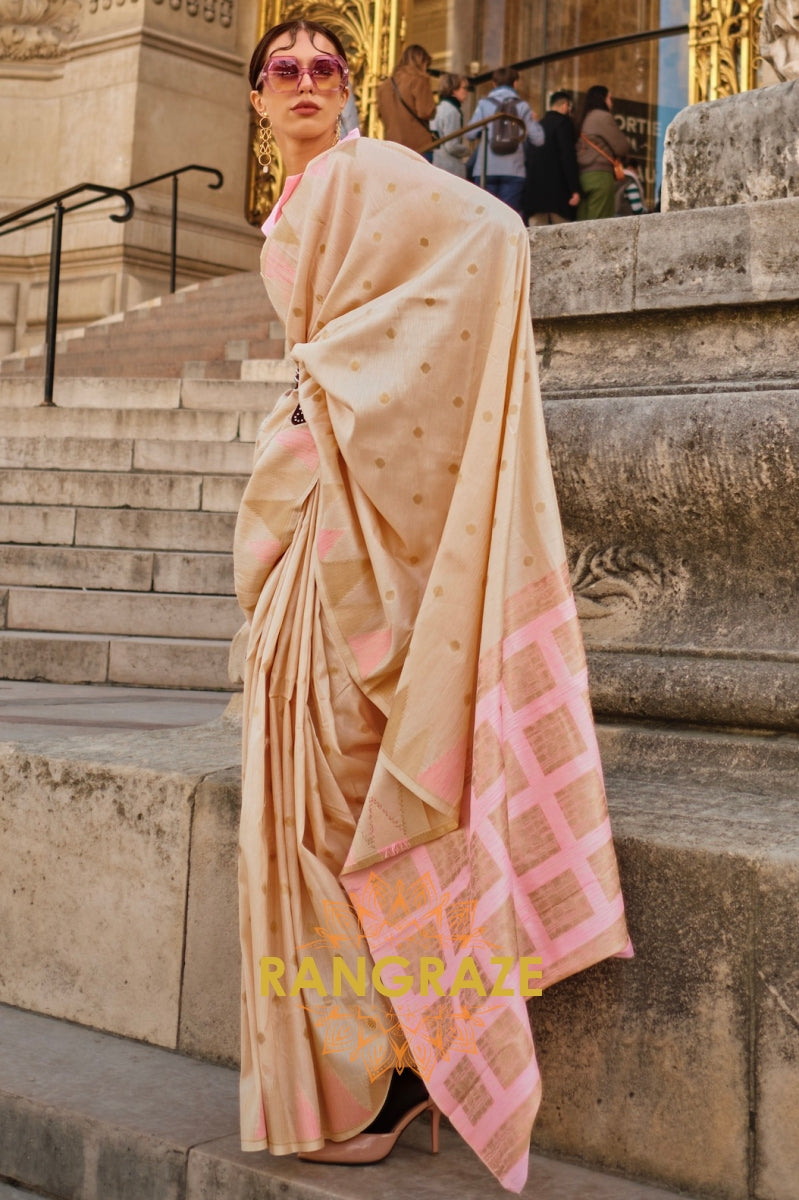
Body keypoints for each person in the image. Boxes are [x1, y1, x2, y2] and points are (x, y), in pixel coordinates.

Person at [239, 17, 631, 1195]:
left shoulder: (368, 172)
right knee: (302, 809)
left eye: (325, 67)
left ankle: (390, 1071)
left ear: (351, 89)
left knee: (342, 809)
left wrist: (336, 386)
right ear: (256, 98)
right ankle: (354, 1071)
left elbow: (498, 234)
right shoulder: (303, 200)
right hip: (317, 525)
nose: (305, 83)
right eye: (283, 70)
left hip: (356, 525)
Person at [466, 66, 544, 217]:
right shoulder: (522, 106)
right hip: (514, 171)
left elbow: (470, 134)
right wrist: (533, 122)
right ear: (515, 83)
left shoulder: (484, 104)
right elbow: (539, 139)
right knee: (508, 218)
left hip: (485, 170)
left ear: (494, 84)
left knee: (485, 217)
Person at [576, 84, 632, 221]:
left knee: (583, 223)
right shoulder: (602, 117)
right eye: (610, 98)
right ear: (602, 99)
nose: (611, 103)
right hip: (600, 177)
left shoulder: (582, 117)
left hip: (582, 177)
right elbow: (622, 147)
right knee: (599, 225)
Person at [524, 89, 580, 226]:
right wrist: (574, 189)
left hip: (535, 195)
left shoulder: (539, 125)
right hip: (558, 195)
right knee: (562, 239)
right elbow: (568, 157)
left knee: (537, 239)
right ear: (565, 105)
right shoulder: (563, 124)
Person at [377, 43, 436, 159]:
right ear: (422, 62)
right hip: (418, 146)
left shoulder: (384, 86)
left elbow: (381, 115)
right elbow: (425, 112)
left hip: (393, 145)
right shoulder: (419, 79)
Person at [431, 73, 471, 177]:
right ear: (453, 90)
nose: (467, 92)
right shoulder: (452, 112)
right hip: (449, 168)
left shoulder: (438, 108)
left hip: (437, 163)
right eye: (464, 88)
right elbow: (451, 146)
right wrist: (467, 150)